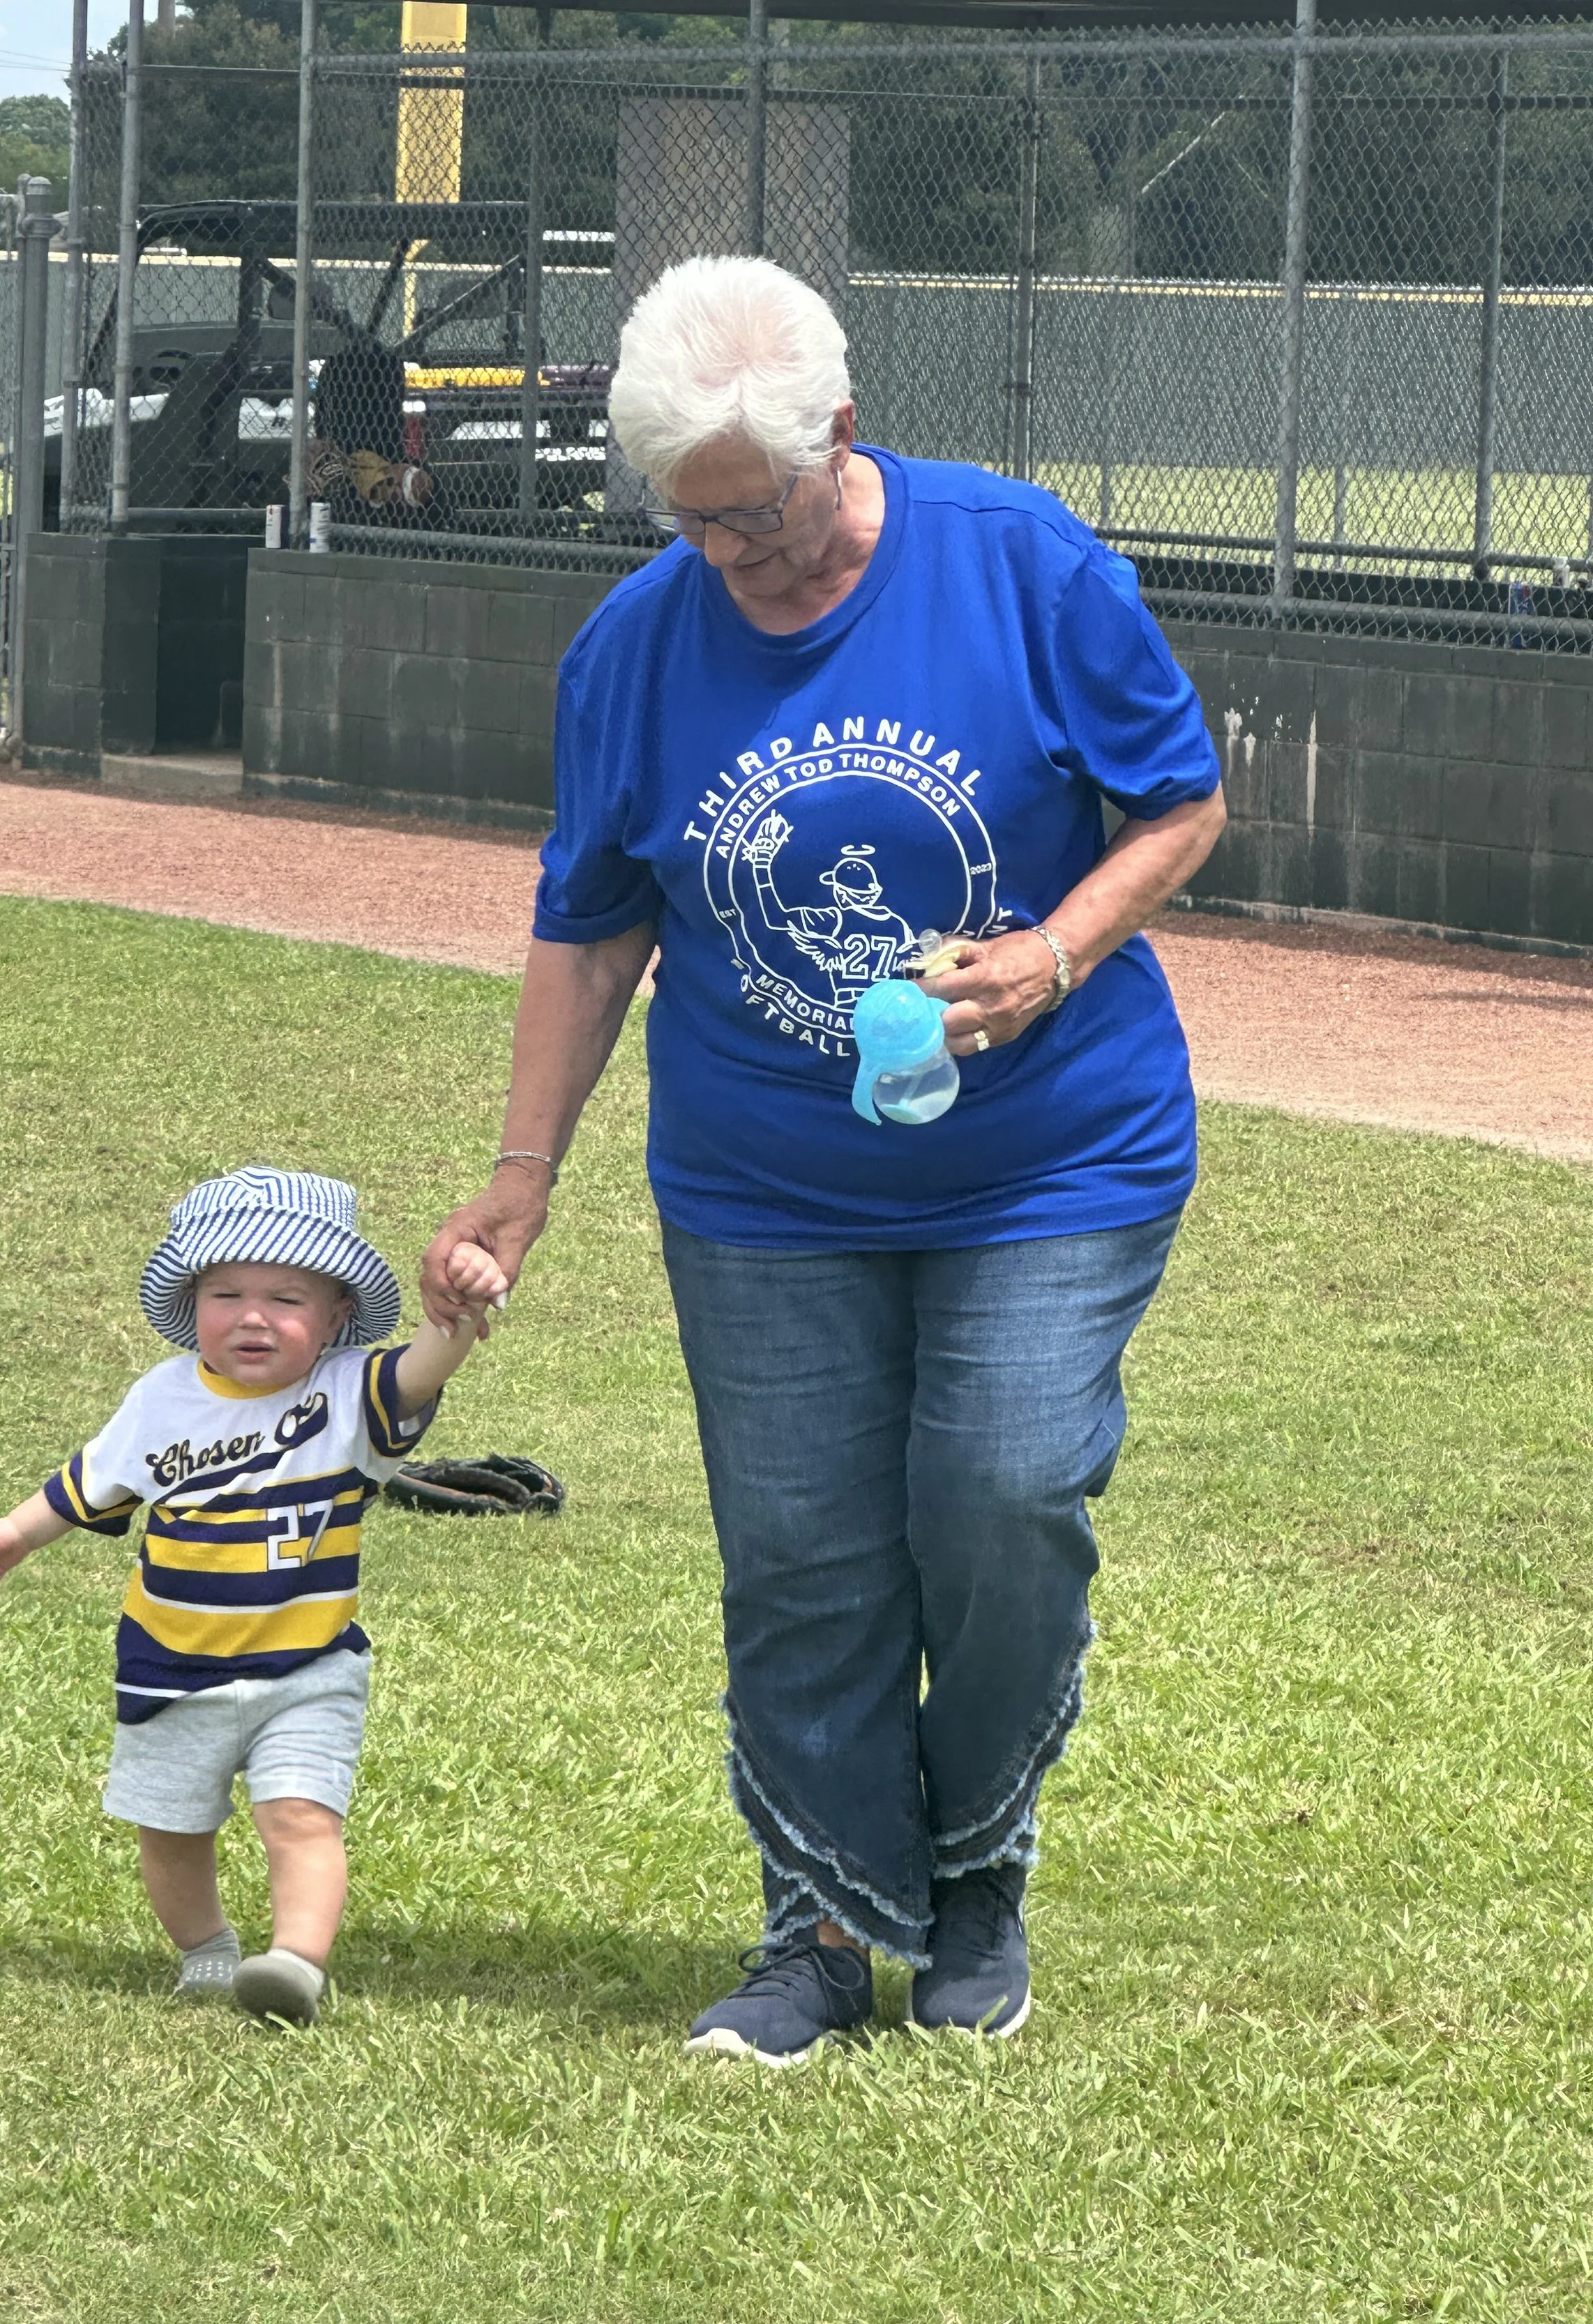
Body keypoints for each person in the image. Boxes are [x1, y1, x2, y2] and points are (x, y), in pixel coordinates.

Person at [422, 254, 1228, 2065]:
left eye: (763, 521)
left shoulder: (1020, 562)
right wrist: (522, 1166)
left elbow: (1180, 799)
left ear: (842, 434)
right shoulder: (636, 643)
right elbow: (590, 919)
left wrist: (1050, 953)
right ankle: (818, 1924)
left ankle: (974, 1867)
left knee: (1001, 1494)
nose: (740, 564)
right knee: (802, 1557)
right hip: (763, 1186)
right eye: (699, 530)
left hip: (1048, 1157)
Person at [0, 1166, 505, 2026]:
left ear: (335, 1318)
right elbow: (91, 1483)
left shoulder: (350, 1392)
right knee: (171, 1833)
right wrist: (12, 1537)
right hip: (171, 1668)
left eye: (288, 1296)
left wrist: (460, 1315)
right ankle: (206, 1951)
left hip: (308, 1666)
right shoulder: (162, 1398)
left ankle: (294, 1964)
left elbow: (424, 1371)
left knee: (300, 1816)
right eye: (226, 1292)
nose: (253, 1315)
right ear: (192, 1303)